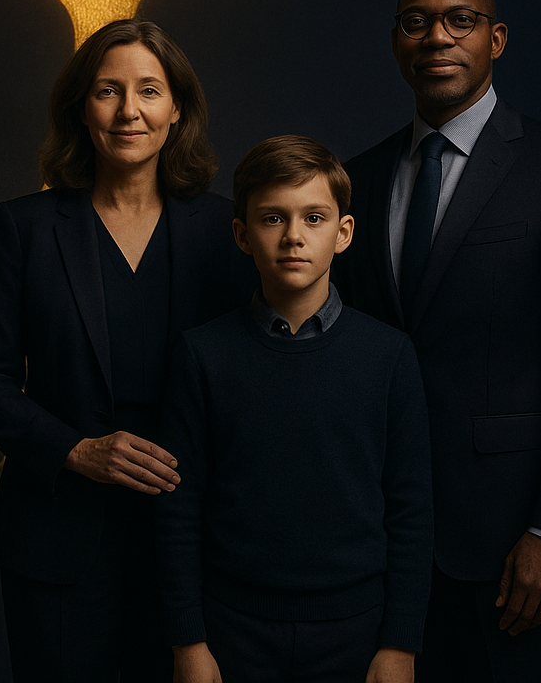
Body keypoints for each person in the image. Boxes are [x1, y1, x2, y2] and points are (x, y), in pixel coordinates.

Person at [336, 0, 541, 682]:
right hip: (377, 542)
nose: (436, 36)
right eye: (417, 21)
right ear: (395, 41)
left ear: (496, 39)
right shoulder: (357, 179)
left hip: (511, 548)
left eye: (459, 20)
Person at [0, 19, 251, 682]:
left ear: (177, 108)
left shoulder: (227, 228)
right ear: (79, 107)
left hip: (196, 540)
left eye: (149, 90)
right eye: (107, 91)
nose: (129, 111)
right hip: (58, 536)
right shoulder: (24, 227)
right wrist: (76, 450)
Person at [157, 135, 433, 683]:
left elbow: (411, 511)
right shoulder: (202, 354)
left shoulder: (388, 356)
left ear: (343, 233)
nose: (293, 238)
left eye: (313, 218)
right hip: (232, 628)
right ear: (241, 234)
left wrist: (400, 644)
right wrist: (188, 640)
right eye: (272, 219)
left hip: (355, 631)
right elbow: (178, 509)